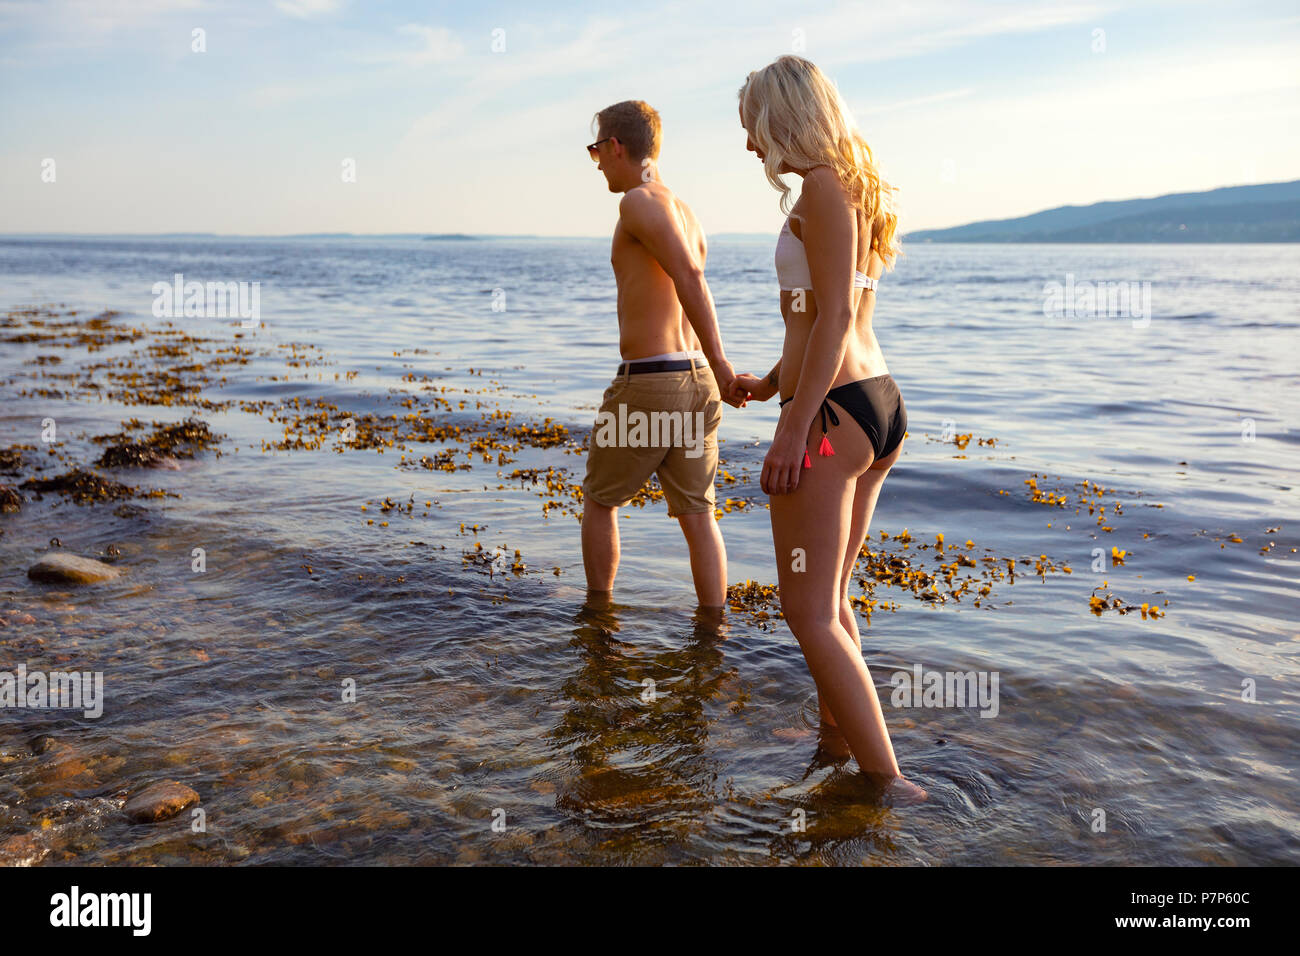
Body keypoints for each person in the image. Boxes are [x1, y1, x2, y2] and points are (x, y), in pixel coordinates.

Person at [732, 57, 926, 801]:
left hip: (836, 413)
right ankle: (837, 737)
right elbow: (819, 319)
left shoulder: (821, 184)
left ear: (782, 117)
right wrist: (772, 381)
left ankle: (889, 783)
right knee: (833, 597)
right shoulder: (855, 185)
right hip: (875, 404)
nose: (750, 144)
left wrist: (794, 425)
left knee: (806, 610)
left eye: (752, 124)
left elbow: (836, 318)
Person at [581, 100, 741, 609]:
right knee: (699, 517)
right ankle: (714, 634)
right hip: (696, 387)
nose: (598, 163)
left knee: (600, 502)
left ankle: (599, 621)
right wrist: (715, 375)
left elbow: (689, 278)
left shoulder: (637, 203)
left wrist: (724, 364)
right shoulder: (685, 210)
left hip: (651, 383)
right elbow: (691, 281)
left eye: (596, 151)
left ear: (615, 146)